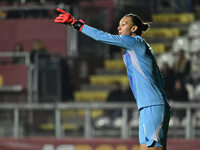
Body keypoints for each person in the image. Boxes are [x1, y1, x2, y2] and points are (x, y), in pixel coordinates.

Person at [54, 8, 171, 150]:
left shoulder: (135, 42)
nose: (118, 27)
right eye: (119, 24)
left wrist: (76, 24)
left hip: (153, 106)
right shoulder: (137, 48)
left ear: (134, 28)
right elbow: (160, 80)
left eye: (124, 24)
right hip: (146, 107)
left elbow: (102, 37)